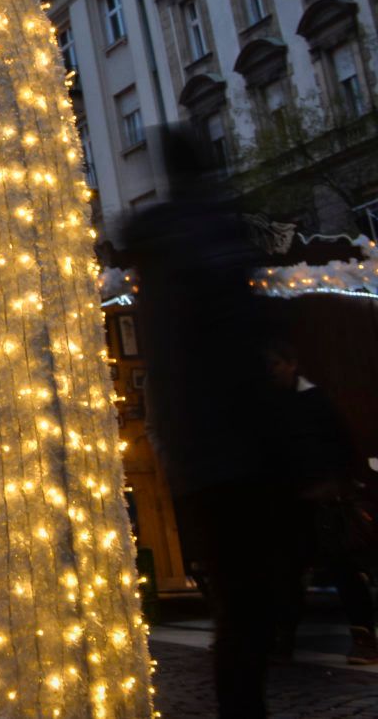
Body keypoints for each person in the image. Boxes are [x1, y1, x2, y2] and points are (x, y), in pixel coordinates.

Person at [122, 126, 288, 719]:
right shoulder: (217, 232)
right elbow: (243, 330)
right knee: (253, 593)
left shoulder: (156, 242)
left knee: (236, 595)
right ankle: (246, 702)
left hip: (190, 444)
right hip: (240, 439)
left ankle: (242, 699)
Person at [268, 341, 376, 664]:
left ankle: (364, 638)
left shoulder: (314, 401)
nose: (270, 372)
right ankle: (283, 639)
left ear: (291, 364)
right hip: (292, 500)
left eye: (275, 364)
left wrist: (337, 482)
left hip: (324, 499)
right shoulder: (275, 404)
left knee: (343, 569)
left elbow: (342, 443)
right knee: (288, 573)